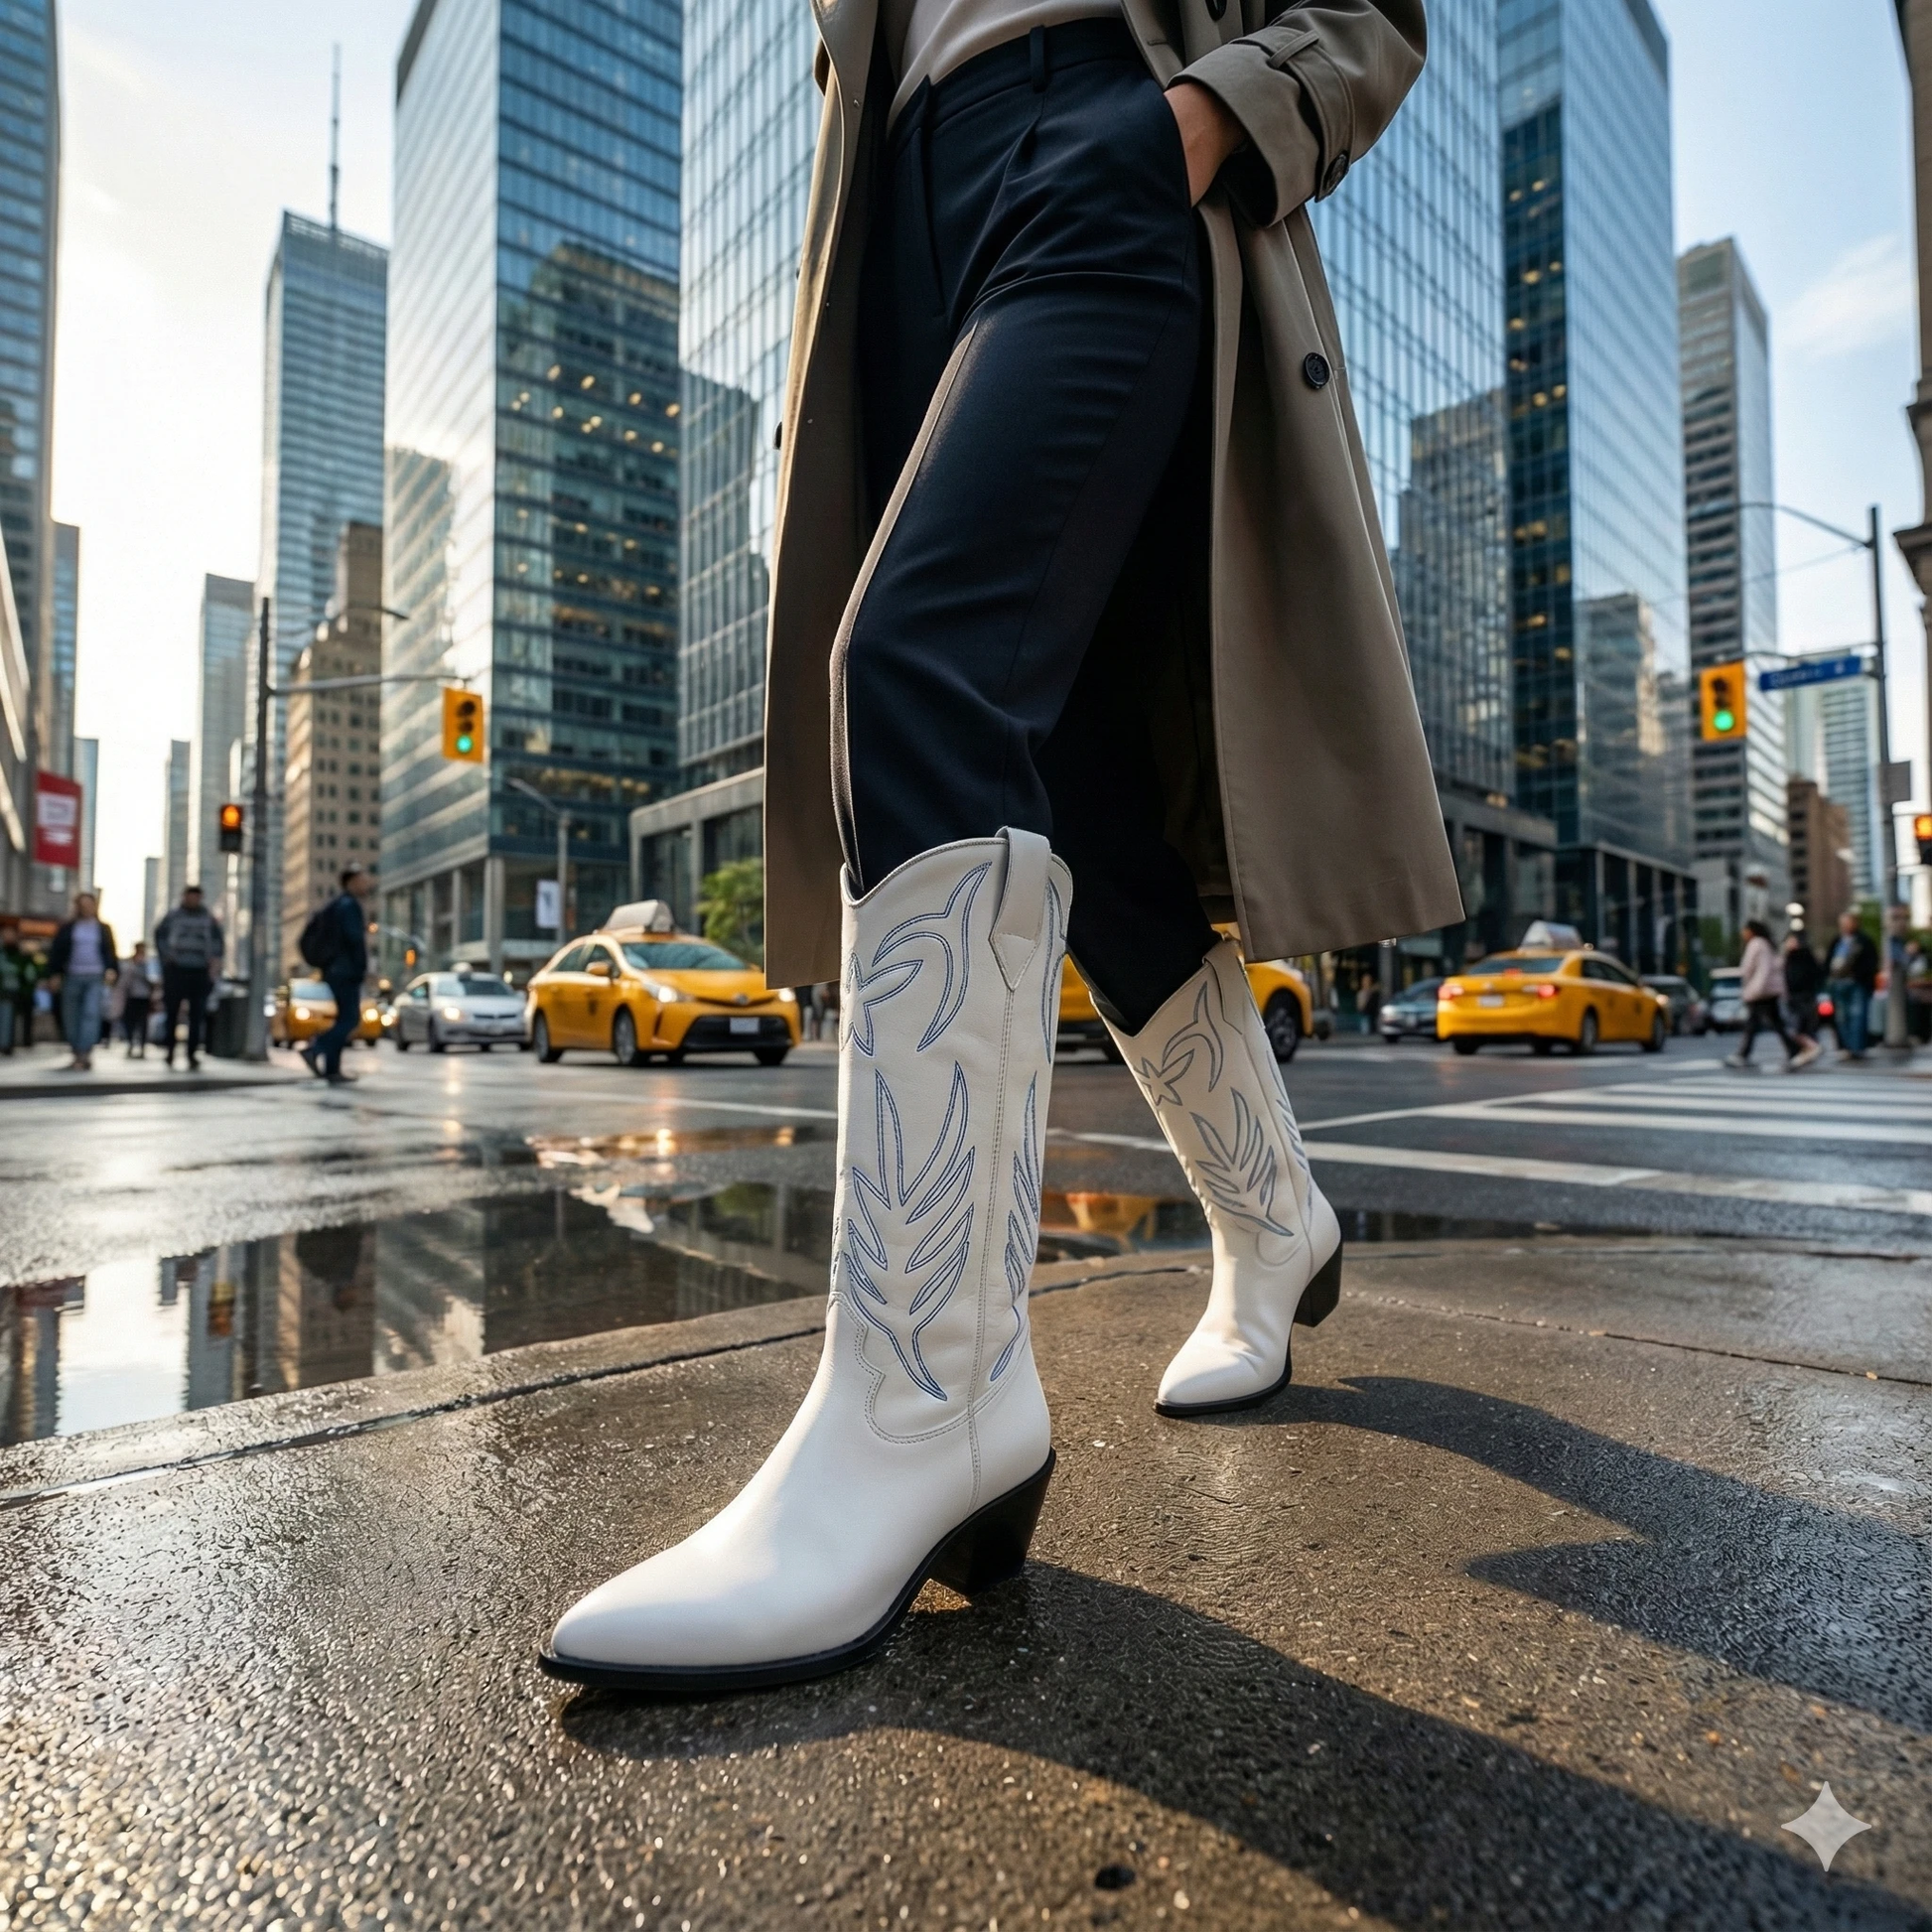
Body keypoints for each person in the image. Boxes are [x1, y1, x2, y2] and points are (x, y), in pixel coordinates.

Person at [541, 0, 1458, 1693]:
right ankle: (1277, 1223)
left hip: (1100, 138)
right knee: (1088, 804)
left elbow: (1368, 13)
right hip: (903, 211)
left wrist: (1197, 117)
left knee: (914, 666)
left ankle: (924, 1406)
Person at [303, 867, 371, 1086]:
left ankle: (332, 1070)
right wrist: (362, 968)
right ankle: (316, 1049)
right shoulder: (349, 906)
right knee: (350, 1019)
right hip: (345, 970)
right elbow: (354, 940)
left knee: (343, 1018)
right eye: (362, 880)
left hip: (334, 969)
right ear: (350, 882)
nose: (365, 885)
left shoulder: (336, 905)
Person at [46, 892, 119, 1072]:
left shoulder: (102, 928)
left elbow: (110, 952)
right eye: (83, 905)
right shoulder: (68, 927)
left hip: (95, 976)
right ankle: (76, 1050)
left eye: (89, 905)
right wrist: (53, 974)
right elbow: (56, 952)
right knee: (71, 1015)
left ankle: (85, 1052)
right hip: (72, 976)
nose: (86, 908)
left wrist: (111, 970)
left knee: (91, 1013)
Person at [155, 885, 225, 1071]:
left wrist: (214, 965)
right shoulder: (172, 916)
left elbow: (218, 943)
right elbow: (159, 936)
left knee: (197, 1014)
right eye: (190, 896)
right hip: (176, 970)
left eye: (196, 897)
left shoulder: (208, 919)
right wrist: (166, 958)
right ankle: (169, 1050)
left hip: (200, 971)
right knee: (172, 1013)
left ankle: (192, 1054)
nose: (193, 900)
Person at [1825, 909, 1879, 1062]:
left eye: (1848, 922)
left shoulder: (1864, 941)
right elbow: (1828, 962)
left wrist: (1860, 976)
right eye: (1842, 923)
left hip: (1857, 983)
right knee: (1842, 1017)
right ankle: (1847, 1047)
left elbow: (1871, 963)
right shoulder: (1837, 941)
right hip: (1838, 983)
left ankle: (1857, 1048)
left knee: (1858, 1016)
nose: (1845, 926)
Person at [1781, 929, 1824, 1060]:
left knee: (1798, 1026)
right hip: (1798, 995)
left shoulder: (1802, 956)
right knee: (1802, 1025)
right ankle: (1806, 1049)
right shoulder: (1789, 957)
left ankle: (1812, 1046)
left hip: (1803, 995)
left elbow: (1814, 974)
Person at [117, 941, 158, 1056]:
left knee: (143, 1023)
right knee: (130, 1022)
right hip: (131, 996)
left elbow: (154, 979)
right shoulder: (129, 963)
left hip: (144, 997)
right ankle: (130, 1043)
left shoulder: (149, 964)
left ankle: (142, 1046)